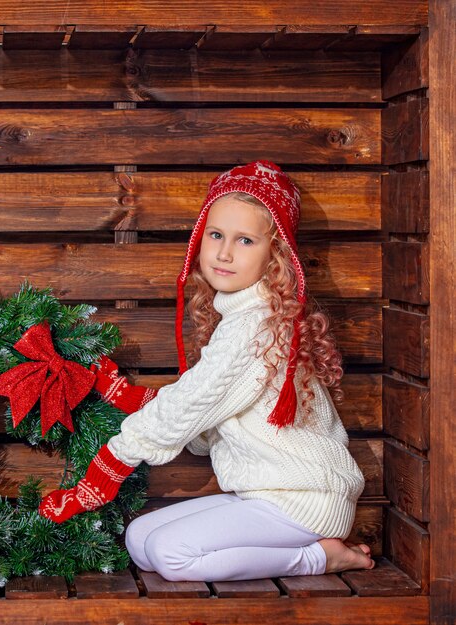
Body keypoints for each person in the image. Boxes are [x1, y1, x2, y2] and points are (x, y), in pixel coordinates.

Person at [38, 161, 375, 582]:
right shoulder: (243, 314)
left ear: (275, 255)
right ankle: (305, 551)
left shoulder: (257, 324)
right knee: (141, 540)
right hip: (264, 492)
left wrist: (108, 468)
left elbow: (192, 401)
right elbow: (206, 408)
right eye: (216, 235)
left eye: (245, 240)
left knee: (169, 553)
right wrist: (131, 398)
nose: (224, 252)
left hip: (302, 499)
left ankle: (320, 558)